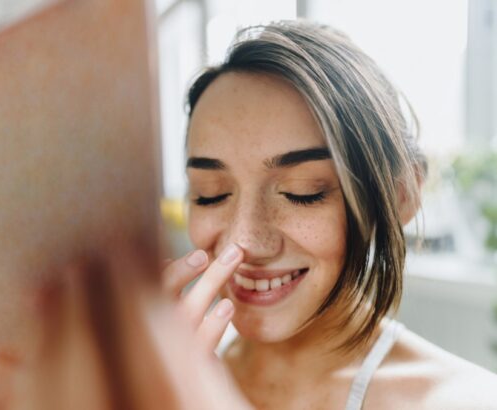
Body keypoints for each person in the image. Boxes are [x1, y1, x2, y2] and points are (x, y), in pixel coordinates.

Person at [161, 20, 497, 409]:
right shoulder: (171, 376)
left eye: (301, 192)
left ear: (400, 197)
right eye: (210, 195)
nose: (245, 241)